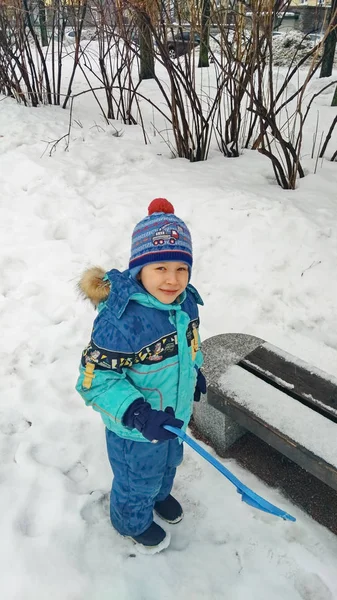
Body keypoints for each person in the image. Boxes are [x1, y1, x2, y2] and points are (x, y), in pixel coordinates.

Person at [76, 198, 206, 554]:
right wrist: (137, 413)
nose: (172, 279)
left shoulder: (185, 303)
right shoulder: (122, 320)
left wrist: (196, 371)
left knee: (168, 463)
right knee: (137, 479)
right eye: (160, 267)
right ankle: (130, 521)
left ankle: (160, 496)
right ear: (140, 269)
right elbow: (94, 380)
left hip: (172, 417)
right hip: (134, 428)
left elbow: (190, 342)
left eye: (182, 268)